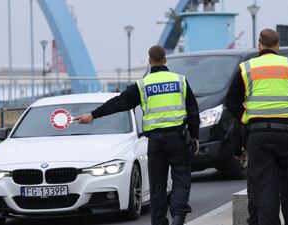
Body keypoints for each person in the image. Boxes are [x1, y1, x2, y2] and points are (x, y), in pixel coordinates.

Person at [75, 45, 200, 225]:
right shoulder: (180, 81)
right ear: (165, 60)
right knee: (181, 179)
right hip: (177, 138)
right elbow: (193, 113)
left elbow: (119, 103)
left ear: (149, 61)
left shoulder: (143, 85)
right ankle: (178, 217)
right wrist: (194, 138)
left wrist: (93, 115)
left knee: (157, 185)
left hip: (155, 142)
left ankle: (158, 222)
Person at [226, 28, 288, 225]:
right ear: (278, 46)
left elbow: (232, 101)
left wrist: (246, 119)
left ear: (259, 45)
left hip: (258, 136)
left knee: (264, 189)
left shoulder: (246, 67)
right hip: (287, 134)